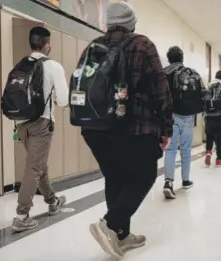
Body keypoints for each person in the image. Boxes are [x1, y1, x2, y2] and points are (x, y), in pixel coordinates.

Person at [79, 2, 173, 259]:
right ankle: (110, 225)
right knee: (144, 175)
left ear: (108, 23)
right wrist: (166, 127)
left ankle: (121, 236)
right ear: (132, 23)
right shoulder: (142, 44)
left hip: (95, 127)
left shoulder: (94, 45)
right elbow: (160, 88)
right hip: (135, 125)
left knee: (115, 177)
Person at [11, 27, 69, 231]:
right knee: (35, 167)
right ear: (47, 45)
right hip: (41, 123)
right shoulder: (52, 65)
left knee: (39, 164)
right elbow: (63, 100)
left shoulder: (21, 65)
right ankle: (21, 215)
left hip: (20, 123)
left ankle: (52, 202)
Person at [162, 46, 205, 200]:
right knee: (186, 149)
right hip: (188, 116)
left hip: (170, 116)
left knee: (171, 150)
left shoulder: (164, 73)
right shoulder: (191, 72)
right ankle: (185, 181)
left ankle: (168, 182)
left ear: (169, 58)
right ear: (182, 58)